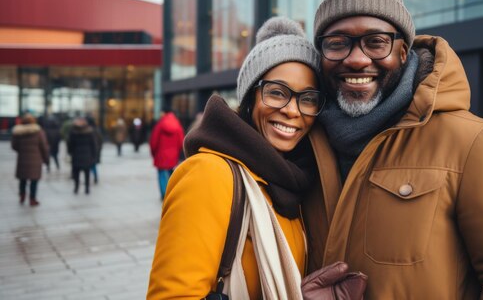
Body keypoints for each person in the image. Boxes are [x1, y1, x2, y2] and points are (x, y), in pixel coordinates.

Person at [299, 0, 483, 298]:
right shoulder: (304, 143)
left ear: (403, 52)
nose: (356, 59)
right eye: (337, 43)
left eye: (375, 42)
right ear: (321, 55)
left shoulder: (476, 143)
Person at [148, 17, 365, 299]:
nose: (292, 110)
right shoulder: (209, 174)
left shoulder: (295, 182)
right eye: (277, 93)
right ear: (250, 97)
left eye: (308, 98)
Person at [11, 114, 49, 206]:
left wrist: (22, 150)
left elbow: (14, 146)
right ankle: (32, 199)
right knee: (34, 180)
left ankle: (22, 195)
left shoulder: (18, 132)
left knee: (22, 179)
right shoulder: (38, 131)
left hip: (22, 159)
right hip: (35, 159)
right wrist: (46, 159)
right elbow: (43, 146)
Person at [149, 108, 185, 200]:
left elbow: (153, 141)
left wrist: (154, 154)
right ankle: (170, 194)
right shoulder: (177, 124)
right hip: (173, 157)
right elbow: (181, 142)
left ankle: (163, 195)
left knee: (162, 175)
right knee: (171, 176)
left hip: (161, 156)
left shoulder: (160, 124)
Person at [67, 117, 98, 195]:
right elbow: (93, 144)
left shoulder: (73, 132)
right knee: (87, 172)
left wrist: (70, 152)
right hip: (87, 155)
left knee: (76, 172)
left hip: (76, 155)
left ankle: (76, 187)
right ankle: (87, 188)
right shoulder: (90, 131)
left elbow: (70, 144)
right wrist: (94, 155)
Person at [86, 116, 103, 184]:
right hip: (95, 150)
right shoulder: (96, 130)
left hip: (90, 150)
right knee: (93, 165)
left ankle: (94, 177)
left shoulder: (88, 130)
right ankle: (95, 177)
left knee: (91, 165)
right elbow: (100, 141)